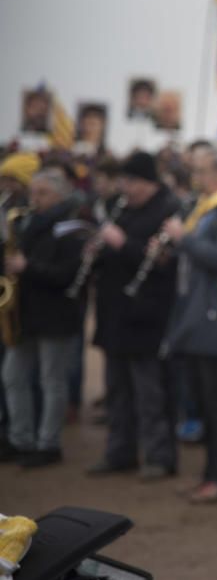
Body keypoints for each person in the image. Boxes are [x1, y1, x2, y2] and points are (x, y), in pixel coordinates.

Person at [161, 144, 217, 502]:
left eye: (199, 171)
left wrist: (184, 240)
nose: (194, 177)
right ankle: (211, 474)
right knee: (210, 407)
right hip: (201, 321)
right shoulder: (204, 208)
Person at [88, 151, 180, 481]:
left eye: (131, 181)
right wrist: (97, 253)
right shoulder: (122, 207)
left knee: (150, 393)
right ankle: (119, 452)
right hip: (116, 314)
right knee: (117, 390)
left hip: (147, 317)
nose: (126, 188)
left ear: (148, 181)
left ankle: (159, 457)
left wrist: (122, 242)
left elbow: (162, 262)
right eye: (124, 181)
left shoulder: (168, 210)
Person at [0, 168, 88, 467]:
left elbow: (68, 274)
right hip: (24, 314)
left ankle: (48, 444)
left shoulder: (73, 227)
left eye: (43, 193)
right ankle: (19, 438)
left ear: (60, 195)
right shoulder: (26, 222)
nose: (34, 199)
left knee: (52, 381)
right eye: (33, 192)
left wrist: (27, 266)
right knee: (13, 377)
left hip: (56, 315)